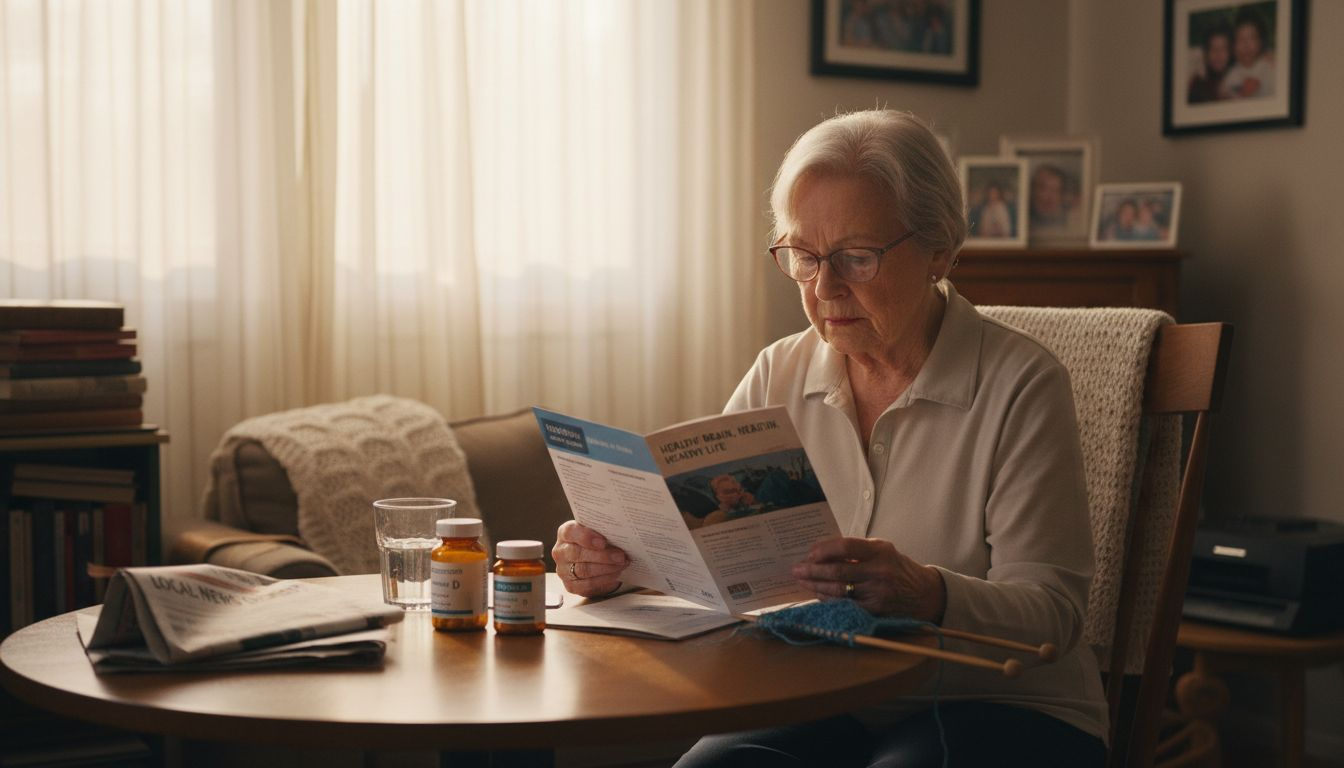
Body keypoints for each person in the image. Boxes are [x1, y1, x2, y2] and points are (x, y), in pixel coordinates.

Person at [553, 109, 1106, 767]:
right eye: (804, 257)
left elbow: (1053, 612)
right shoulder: (778, 372)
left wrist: (929, 592)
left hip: (1006, 706)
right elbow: (709, 565)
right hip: (817, 697)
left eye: (857, 257)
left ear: (940, 248)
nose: (824, 287)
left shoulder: (1022, 384)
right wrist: (611, 565)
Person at [1220, 10, 1274, 99]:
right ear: (1233, 46)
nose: (1246, 45)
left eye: (1252, 38)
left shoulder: (1269, 68)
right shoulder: (1230, 77)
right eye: (1241, 39)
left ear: (1260, 42)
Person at [1187, 23, 1232, 104]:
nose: (1218, 54)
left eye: (1223, 49)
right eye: (1213, 49)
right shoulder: (1198, 85)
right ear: (1206, 54)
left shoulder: (1238, 80)